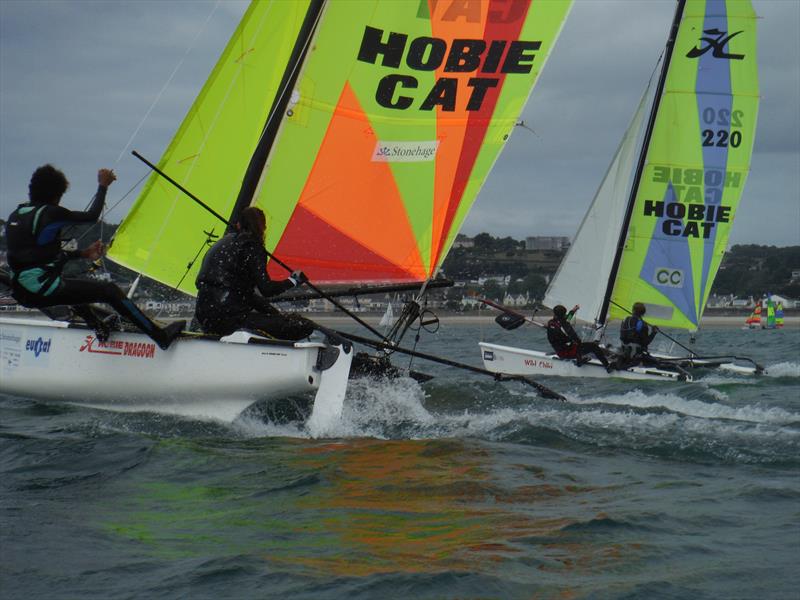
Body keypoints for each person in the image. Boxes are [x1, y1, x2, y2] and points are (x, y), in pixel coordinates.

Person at [5, 164, 184, 350]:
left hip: (21, 291)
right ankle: (161, 336)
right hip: (40, 290)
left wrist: (84, 253)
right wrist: (103, 185)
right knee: (110, 290)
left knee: (72, 288)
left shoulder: (16, 215)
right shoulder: (50, 212)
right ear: (56, 195)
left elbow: (39, 257)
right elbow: (92, 216)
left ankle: (99, 327)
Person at [194, 206, 315, 341]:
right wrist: (293, 281)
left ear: (239, 225)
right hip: (231, 321)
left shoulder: (221, 243)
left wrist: (276, 315)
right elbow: (267, 289)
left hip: (205, 318)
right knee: (302, 326)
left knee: (277, 320)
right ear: (263, 227)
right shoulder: (252, 247)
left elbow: (245, 295)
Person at [546, 304, 613, 371]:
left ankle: (580, 359)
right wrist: (578, 343)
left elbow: (567, 318)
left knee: (577, 345)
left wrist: (574, 310)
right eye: (564, 314)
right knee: (593, 346)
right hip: (567, 352)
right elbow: (575, 338)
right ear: (563, 315)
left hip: (560, 351)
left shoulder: (551, 323)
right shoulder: (564, 325)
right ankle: (607, 366)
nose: (565, 316)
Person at [618, 302, 658, 367]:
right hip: (635, 356)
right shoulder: (643, 324)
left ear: (632, 310)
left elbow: (622, 337)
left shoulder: (625, 320)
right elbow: (645, 342)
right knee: (656, 362)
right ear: (643, 313)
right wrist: (654, 332)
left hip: (624, 353)